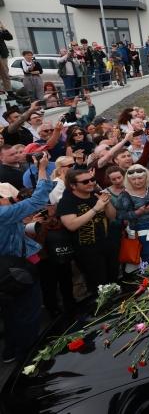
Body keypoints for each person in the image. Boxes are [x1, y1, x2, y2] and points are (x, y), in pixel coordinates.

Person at [0, 153, 53, 363]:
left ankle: (11, 352)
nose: (9, 199)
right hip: (16, 270)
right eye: (5, 196)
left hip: (4, 272)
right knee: (28, 313)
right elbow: (39, 199)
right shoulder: (3, 214)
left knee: (11, 313)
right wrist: (41, 168)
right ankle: (29, 358)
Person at [56, 167, 117, 295]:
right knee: (98, 286)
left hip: (106, 245)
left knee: (113, 280)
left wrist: (107, 202)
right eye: (85, 182)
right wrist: (95, 209)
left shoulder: (95, 194)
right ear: (73, 185)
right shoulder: (67, 201)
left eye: (92, 179)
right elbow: (71, 225)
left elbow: (112, 217)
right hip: (87, 250)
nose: (91, 183)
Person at [115, 164, 149, 264]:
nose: (137, 181)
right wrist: (138, 212)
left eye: (140, 178)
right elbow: (120, 215)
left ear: (146, 177)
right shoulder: (124, 195)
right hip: (142, 234)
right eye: (133, 179)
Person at [0, 21, 13, 92]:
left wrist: (3, 28)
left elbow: (9, 37)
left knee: (5, 74)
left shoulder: (1, 32)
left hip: (2, 55)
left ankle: (9, 92)